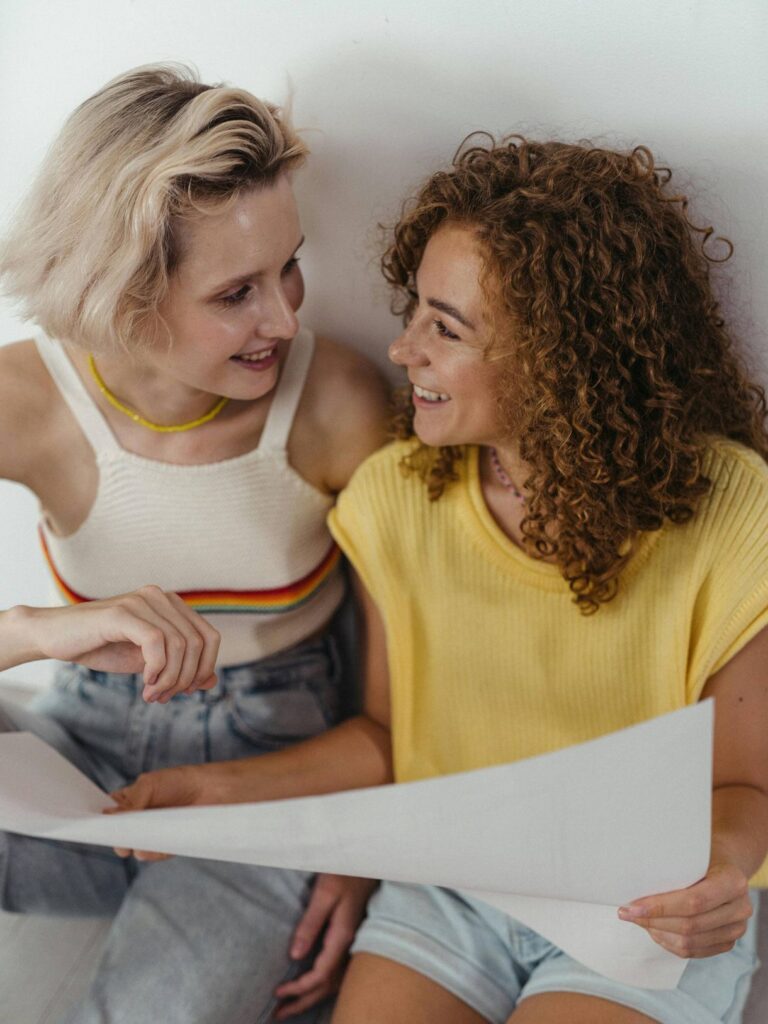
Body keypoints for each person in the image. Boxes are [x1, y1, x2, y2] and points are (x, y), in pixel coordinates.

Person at [113, 137, 768, 1024]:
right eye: (413, 311)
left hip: (646, 909)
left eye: (444, 329)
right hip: (454, 891)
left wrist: (724, 873)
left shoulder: (733, 512)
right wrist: (215, 789)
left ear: (560, 357)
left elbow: (744, 791)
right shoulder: (397, 500)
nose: (401, 348)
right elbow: (389, 737)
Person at [0, 64, 389, 1024]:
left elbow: (394, 720)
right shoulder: (23, 402)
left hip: (270, 783)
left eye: (289, 265)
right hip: (75, 754)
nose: (288, 319)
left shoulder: (335, 404)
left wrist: (363, 846)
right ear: (122, 291)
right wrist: (38, 631)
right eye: (236, 294)